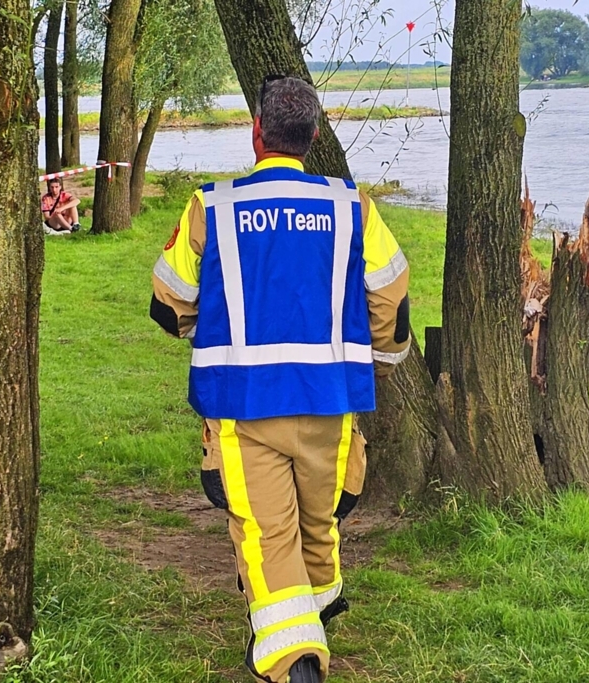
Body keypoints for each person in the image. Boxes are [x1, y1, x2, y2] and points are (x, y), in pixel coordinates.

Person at [150, 75, 410, 683]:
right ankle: (312, 621)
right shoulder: (354, 208)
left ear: (256, 133)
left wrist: (200, 323)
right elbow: (391, 299)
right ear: (313, 137)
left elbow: (169, 304)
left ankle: (296, 660)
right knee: (318, 525)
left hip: (244, 407)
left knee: (269, 535)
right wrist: (382, 356)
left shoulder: (209, 207)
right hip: (330, 403)